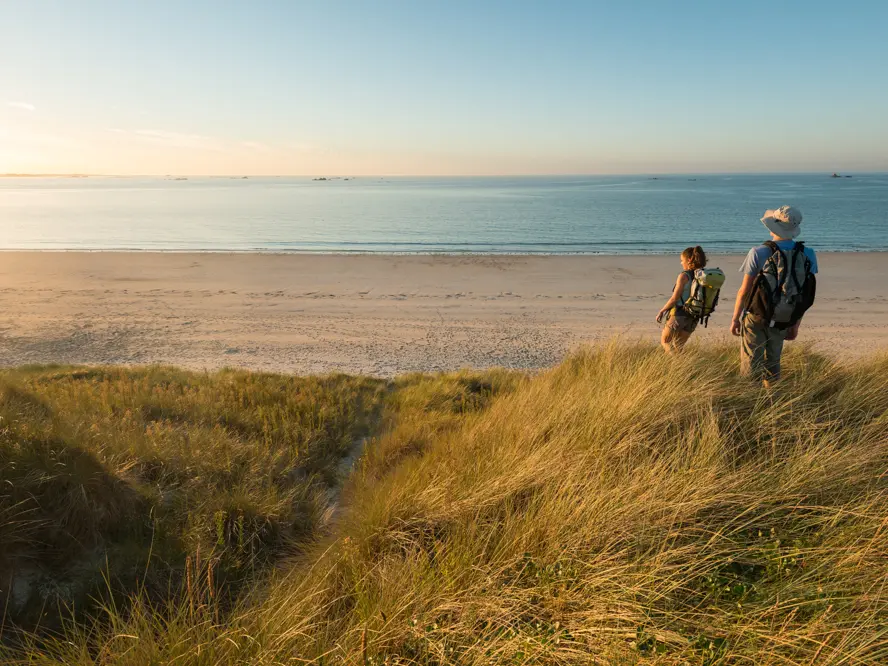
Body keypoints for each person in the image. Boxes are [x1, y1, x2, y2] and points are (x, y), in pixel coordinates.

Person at [730, 206, 818, 386]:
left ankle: (750, 404)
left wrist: (735, 318)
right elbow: (803, 293)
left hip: (756, 315)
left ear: (772, 228)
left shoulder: (759, 252)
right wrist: (795, 323)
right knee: (773, 364)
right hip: (783, 317)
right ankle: (772, 403)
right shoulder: (807, 254)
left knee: (750, 364)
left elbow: (744, 290)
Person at [656, 245, 707, 353]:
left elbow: (675, 298)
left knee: (666, 341)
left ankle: (677, 365)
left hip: (679, 314)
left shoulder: (684, 276)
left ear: (689, 260)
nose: (681, 263)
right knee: (678, 346)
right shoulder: (703, 275)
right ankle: (681, 368)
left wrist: (662, 310)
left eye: (682, 260)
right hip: (694, 315)